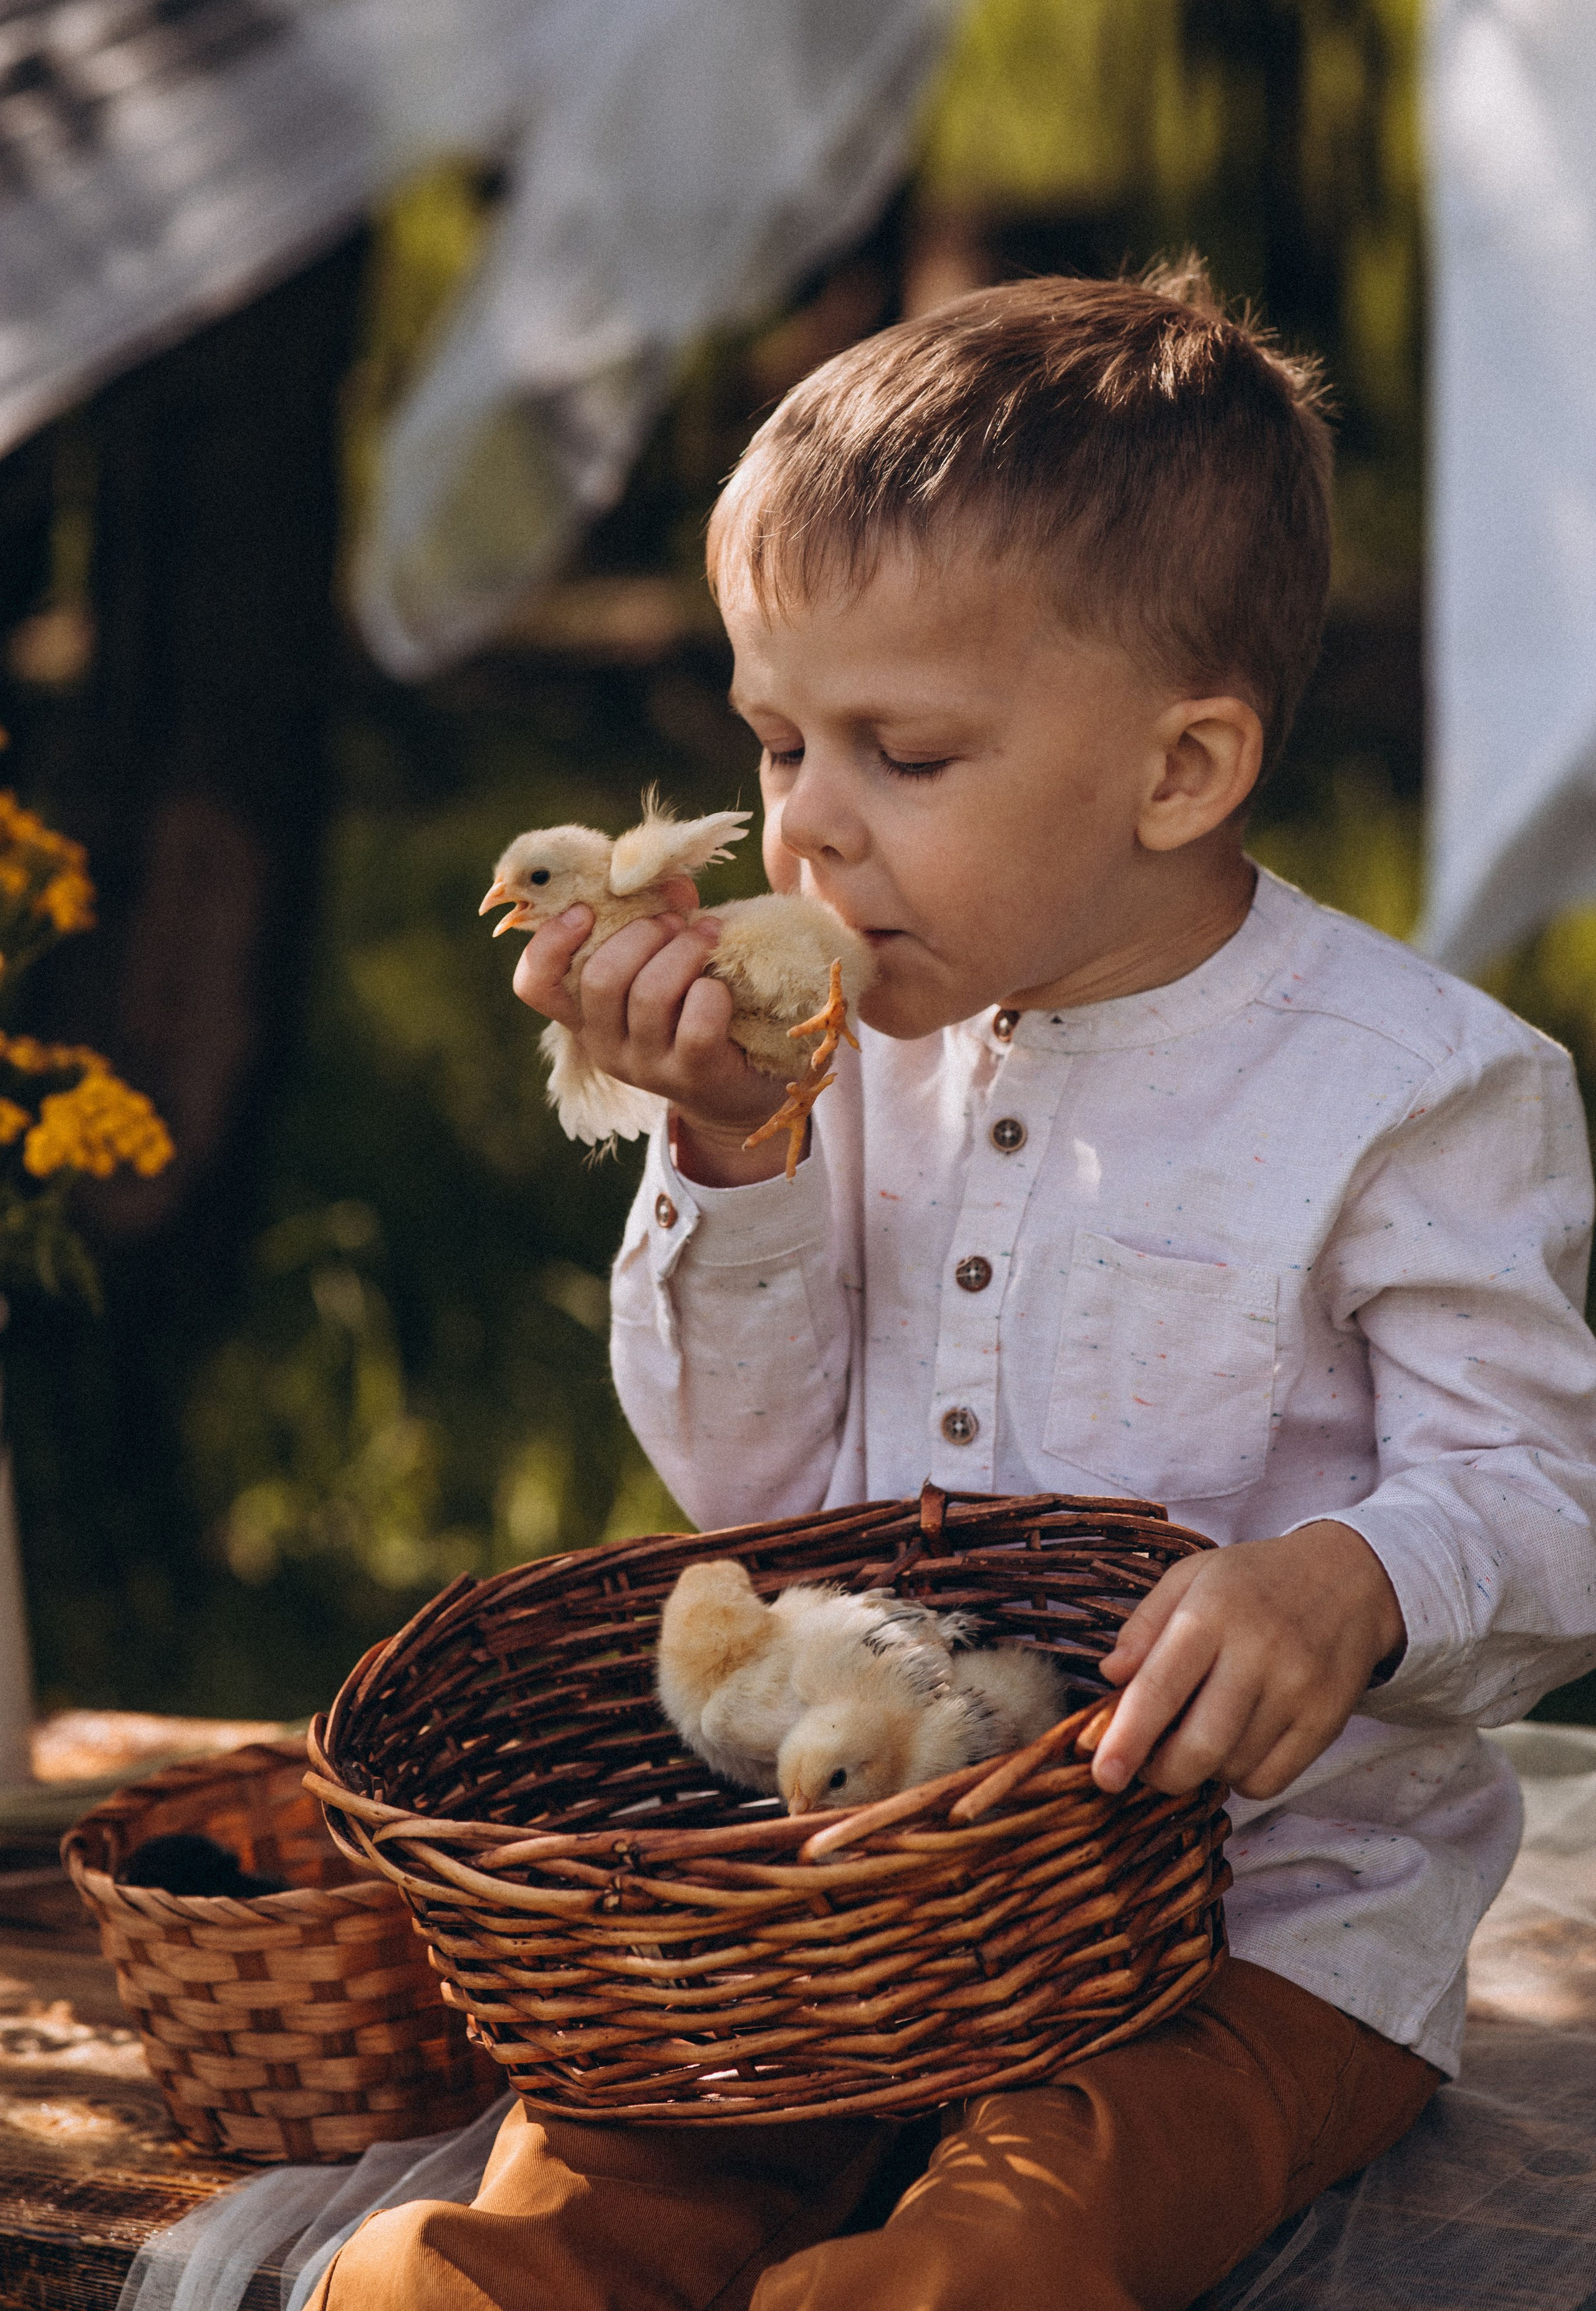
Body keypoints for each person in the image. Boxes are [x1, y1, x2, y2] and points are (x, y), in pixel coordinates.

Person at [309, 263, 1596, 2310]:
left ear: (1179, 773)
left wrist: (1350, 1579)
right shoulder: (830, 1059)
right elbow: (748, 1493)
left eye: (901, 753)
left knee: (1019, 2245)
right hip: (838, 1899)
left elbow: (1546, 1502)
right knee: (531, 2230)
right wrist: (733, 1148)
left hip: (1247, 1936)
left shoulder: (1415, 1092)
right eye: (774, 742)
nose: (804, 832)